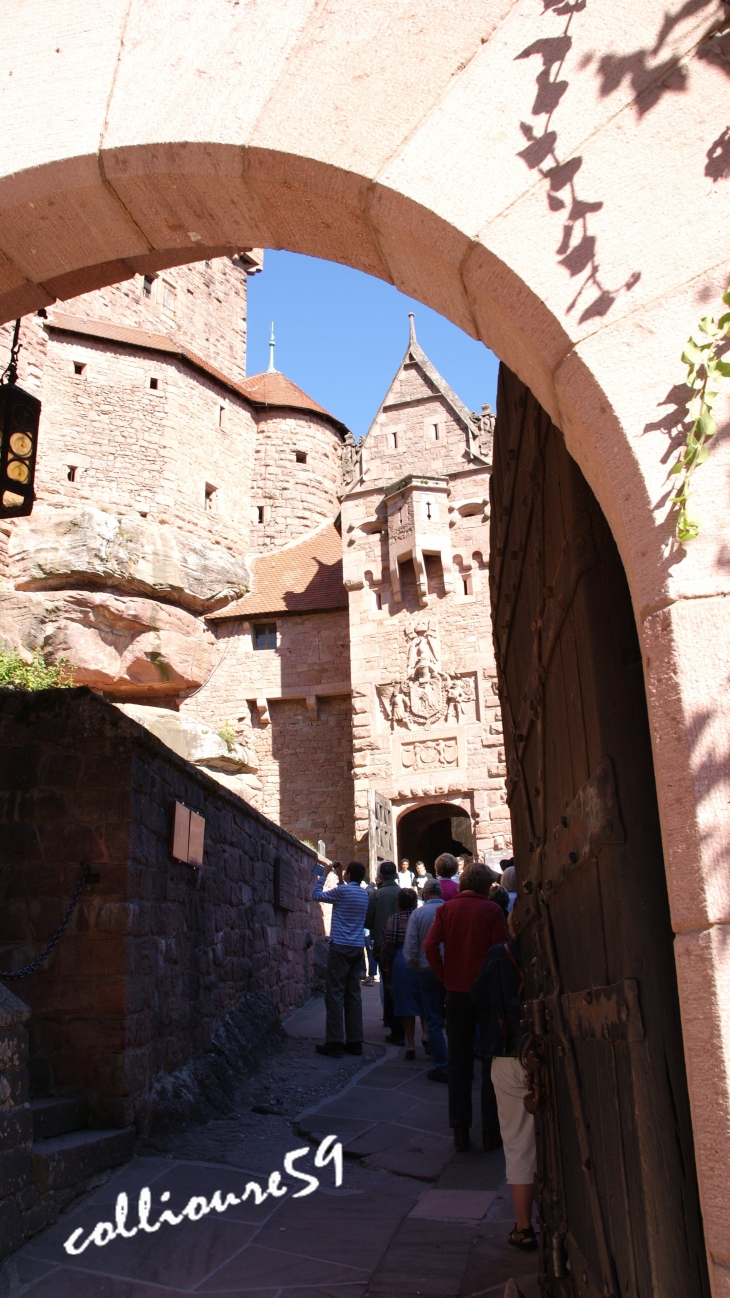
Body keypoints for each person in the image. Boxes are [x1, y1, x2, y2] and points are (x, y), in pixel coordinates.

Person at [424, 862, 508, 1152]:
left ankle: (460, 1128)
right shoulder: (492, 911)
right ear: (486, 885)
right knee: (490, 1060)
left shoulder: (446, 910)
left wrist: (443, 974)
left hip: (456, 991)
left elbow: (430, 945)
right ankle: (490, 1131)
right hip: (486, 994)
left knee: (458, 1062)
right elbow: (501, 950)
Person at [472, 912, 537, 1252]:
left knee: (518, 1142)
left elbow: (478, 996)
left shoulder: (500, 955)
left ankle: (524, 1226)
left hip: (510, 1050)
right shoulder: (557, 947)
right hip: (553, 1051)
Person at [312, 860, 369, 1058]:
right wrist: (342, 876)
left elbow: (316, 895)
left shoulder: (343, 892)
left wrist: (325, 874)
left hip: (340, 946)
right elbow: (346, 893)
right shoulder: (364, 894)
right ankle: (355, 1042)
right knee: (353, 994)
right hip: (357, 946)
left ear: (349, 875)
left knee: (335, 993)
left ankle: (335, 1041)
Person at [403, 877, 448, 1081]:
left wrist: (415, 966)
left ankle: (442, 1065)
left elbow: (411, 944)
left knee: (434, 1020)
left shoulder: (418, 913)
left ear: (425, 893)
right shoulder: (450, 910)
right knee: (457, 1018)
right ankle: (461, 1060)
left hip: (427, 968)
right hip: (452, 970)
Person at [380, 888, 425, 1059]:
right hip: (421, 958)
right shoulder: (420, 917)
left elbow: (388, 943)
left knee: (406, 1005)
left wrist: (386, 964)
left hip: (401, 960)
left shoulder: (394, 919)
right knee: (423, 1001)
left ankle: (411, 1044)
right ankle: (426, 1035)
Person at [365, 860, 402, 1044]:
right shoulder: (402, 893)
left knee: (387, 983)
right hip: (402, 945)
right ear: (396, 875)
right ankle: (403, 1021)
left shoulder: (376, 895)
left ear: (380, 876)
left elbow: (368, 922)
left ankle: (391, 1020)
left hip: (382, 944)